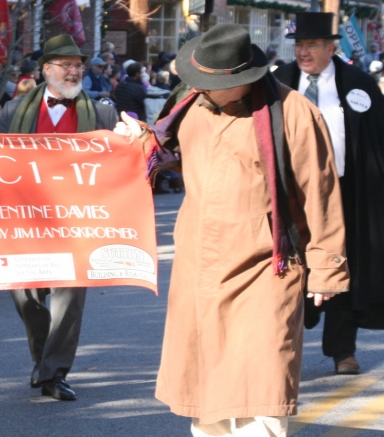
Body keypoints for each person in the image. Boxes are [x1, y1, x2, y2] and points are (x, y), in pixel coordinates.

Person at [115, 23, 348, 437]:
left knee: (263, 386)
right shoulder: (192, 103)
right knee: (206, 393)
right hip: (199, 267)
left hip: (266, 267)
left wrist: (327, 267)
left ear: (243, 79)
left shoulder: (293, 111)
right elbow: (167, 150)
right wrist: (140, 140)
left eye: (209, 83)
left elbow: (321, 193)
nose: (200, 88)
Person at [0, 34, 119, 402]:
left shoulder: (102, 112)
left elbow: (116, 166)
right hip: (24, 221)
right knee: (27, 298)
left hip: (75, 223)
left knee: (68, 301)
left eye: (78, 66)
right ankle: (43, 361)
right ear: (46, 70)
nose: (74, 71)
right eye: (66, 65)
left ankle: (54, 372)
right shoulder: (13, 111)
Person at [275, 12, 384, 376]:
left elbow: (377, 139)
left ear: (330, 47)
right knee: (291, 268)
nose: (303, 52)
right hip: (292, 195)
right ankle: (282, 351)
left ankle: (343, 351)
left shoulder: (357, 83)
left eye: (311, 45)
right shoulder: (278, 82)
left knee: (342, 266)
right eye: (299, 45)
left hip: (345, 190)